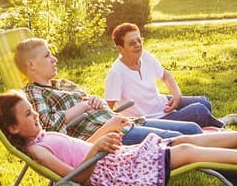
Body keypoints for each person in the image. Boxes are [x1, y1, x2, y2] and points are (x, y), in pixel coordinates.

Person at [0, 91, 237, 186]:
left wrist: (105, 130)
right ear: (14, 127)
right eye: (28, 115)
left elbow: (76, 149)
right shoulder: (36, 150)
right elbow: (75, 176)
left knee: (183, 140)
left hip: (117, 160)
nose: (36, 116)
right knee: (186, 152)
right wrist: (98, 147)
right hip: (116, 172)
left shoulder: (43, 138)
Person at [14, 37, 206, 144]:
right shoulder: (33, 93)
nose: (54, 59)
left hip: (123, 122)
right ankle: (233, 173)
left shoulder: (62, 83)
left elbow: (99, 105)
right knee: (182, 139)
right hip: (107, 135)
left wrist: (96, 101)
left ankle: (229, 163)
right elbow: (48, 127)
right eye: (48, 56)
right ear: (31, 64)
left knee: (192, 129)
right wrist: (83, 106)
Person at [102, 23, 235, 129]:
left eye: (139, 40)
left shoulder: (145, 56)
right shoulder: (116, 73)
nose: (137, 45)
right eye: (132, 43)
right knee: (198, 110)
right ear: (120, 48)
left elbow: (165, 75)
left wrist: (177, 96)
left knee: (204, 102)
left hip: (162, 104)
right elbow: (108, 108)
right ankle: (221, 125)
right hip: (152, 119)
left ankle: (209, 123)